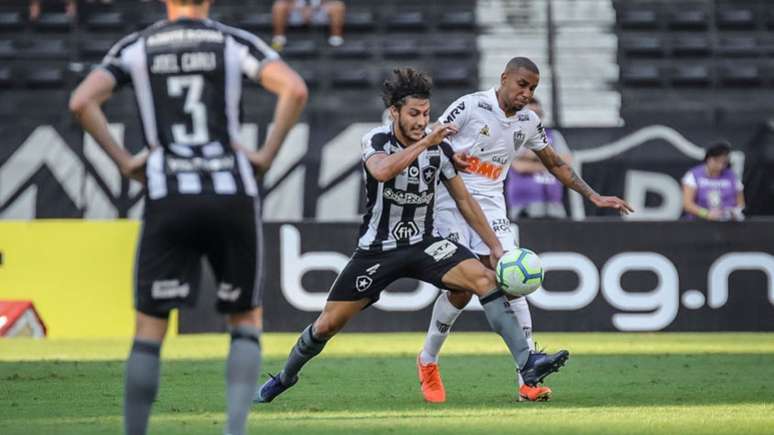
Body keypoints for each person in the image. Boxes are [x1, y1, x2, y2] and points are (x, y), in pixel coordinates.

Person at [254, 67, 569, 404]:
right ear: (395, 113)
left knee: (486, 280)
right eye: (414, 114)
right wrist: (427, 144)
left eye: (426, 114)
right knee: (326, 326)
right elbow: (382, 170)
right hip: (379, 250)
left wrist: (493, 246)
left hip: (425, 244)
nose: (422, 121)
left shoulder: (439, 149)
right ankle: (285, 376)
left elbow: (464, 200)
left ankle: (528, 364)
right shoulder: (376, 140)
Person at [68, 0, 307, 434]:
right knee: (245, 320)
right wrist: (266, 156)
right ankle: (234, 430)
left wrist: (125, 162)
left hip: (168, 193)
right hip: (231, 191)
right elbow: (294, 89)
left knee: (149, 329)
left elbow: (82, 102)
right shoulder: (233, 42)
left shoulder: (136, 46)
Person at [417, 57, 633, 403]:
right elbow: (430, 136)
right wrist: (447, 152)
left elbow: (555, 163)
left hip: (491, 206)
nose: (526, 93)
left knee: (513, 281)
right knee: (461, 289)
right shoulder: (471, 105)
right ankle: (428, 360)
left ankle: (527, 376)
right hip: (451, 202)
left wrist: (594, 195)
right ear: (504, 78)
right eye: (522, 85)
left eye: (532, 88)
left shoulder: (529, 121)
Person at [505, 97, 573, 220]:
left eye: (538, 114)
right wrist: (550, 163)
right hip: (523, 204)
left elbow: (567, 161)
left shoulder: (554, 135)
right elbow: (519, 166)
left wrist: (531, 157)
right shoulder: (514, 135)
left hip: (553, 203)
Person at [682, 141, 745, 221]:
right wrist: (706, 214)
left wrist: (734, 213)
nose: (720, 166)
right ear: (708, 158)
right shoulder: (693, 175)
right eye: (716, 161)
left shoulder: (732, 176)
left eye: (724, 162)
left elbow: (741, 204)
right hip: (699, 224)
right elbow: (687, 205)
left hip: (727, 225)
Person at [271, 0, 346, 51]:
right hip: (296, 11)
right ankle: (279, 41)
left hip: (318, 11)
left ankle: (336, 41)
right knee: (279, 6)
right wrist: (301, 9)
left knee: (338, 7)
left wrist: (313, 8)